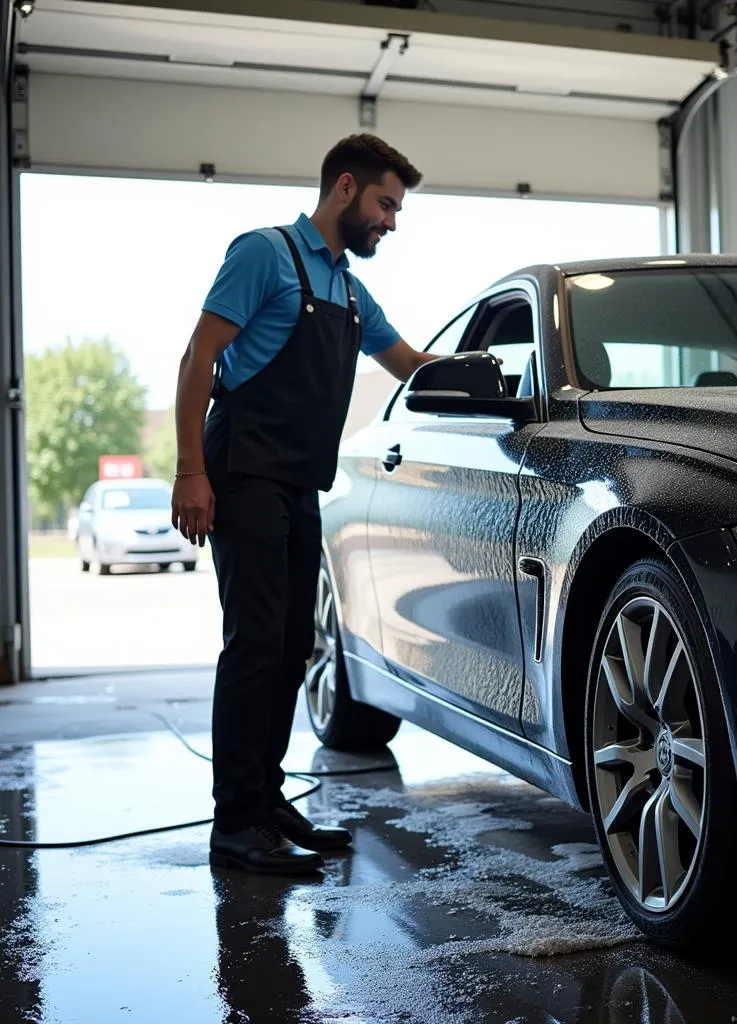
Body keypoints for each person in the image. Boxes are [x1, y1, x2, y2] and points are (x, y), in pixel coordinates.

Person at [170, 134, 435, 875]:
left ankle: (266, 796)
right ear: (345, 188)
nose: (391, 221)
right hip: (243, 466)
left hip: (297, 479)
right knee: (256, 642)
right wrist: (191, 470)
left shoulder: (348, 289)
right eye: (386, 204)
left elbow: (408, 362)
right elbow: (199, 356)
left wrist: (486, 370)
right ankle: (234, 823)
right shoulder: (266, 254)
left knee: (292, 642)